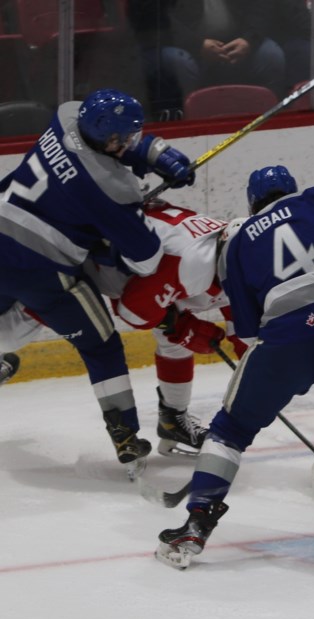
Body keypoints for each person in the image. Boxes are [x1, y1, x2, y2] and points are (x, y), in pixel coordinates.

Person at [155, 165, 314, 569]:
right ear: (291, 189)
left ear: (252, 202)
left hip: (284, 344)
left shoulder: (237, 241)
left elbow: (248, 328)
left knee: (229, 432)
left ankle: (197, 524)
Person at [0, 88, 195, 476]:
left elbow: (112, 148)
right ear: (107, 136)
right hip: (40, 268)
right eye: (126, 137)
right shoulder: (113, 189)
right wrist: (116, 236)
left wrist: (156, 156)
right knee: (101, 345)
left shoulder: (67, 117)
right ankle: (123, 429)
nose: (132, 142)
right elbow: (146, 258)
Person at [0, 199, 237, 456]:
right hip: (76, 258)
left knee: (173, 336)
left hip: (120, 262)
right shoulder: (189, 263)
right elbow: (132, 311)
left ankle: (173, 419)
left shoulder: (233, 259)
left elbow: (245, 337)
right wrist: (183, 328)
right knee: (14, 330)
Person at [136, 0, 287, 112]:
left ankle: (271, 120)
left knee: (271, 55)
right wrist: (197, 44)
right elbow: (152, 14)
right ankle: (187, 126)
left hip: (233, 43)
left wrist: (249, 39)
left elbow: (260, 6)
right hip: (176, 45)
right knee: (180, 62)